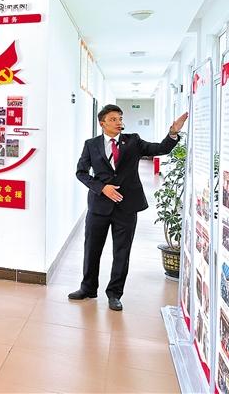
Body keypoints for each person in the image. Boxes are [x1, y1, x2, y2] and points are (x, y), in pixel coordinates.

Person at [69, 105, 188, 311]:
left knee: (122, 252)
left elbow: (160, 148)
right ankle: (87, 288)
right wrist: (102, 188)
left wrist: (173, 133)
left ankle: (115, 294)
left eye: (120, 118)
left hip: (126, 206)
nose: (118, 122)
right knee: (91, 249)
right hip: (99, 206)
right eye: (113, 119)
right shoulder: (91, 144)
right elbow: (81, 172)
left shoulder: (133, 141)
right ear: (102, 123)